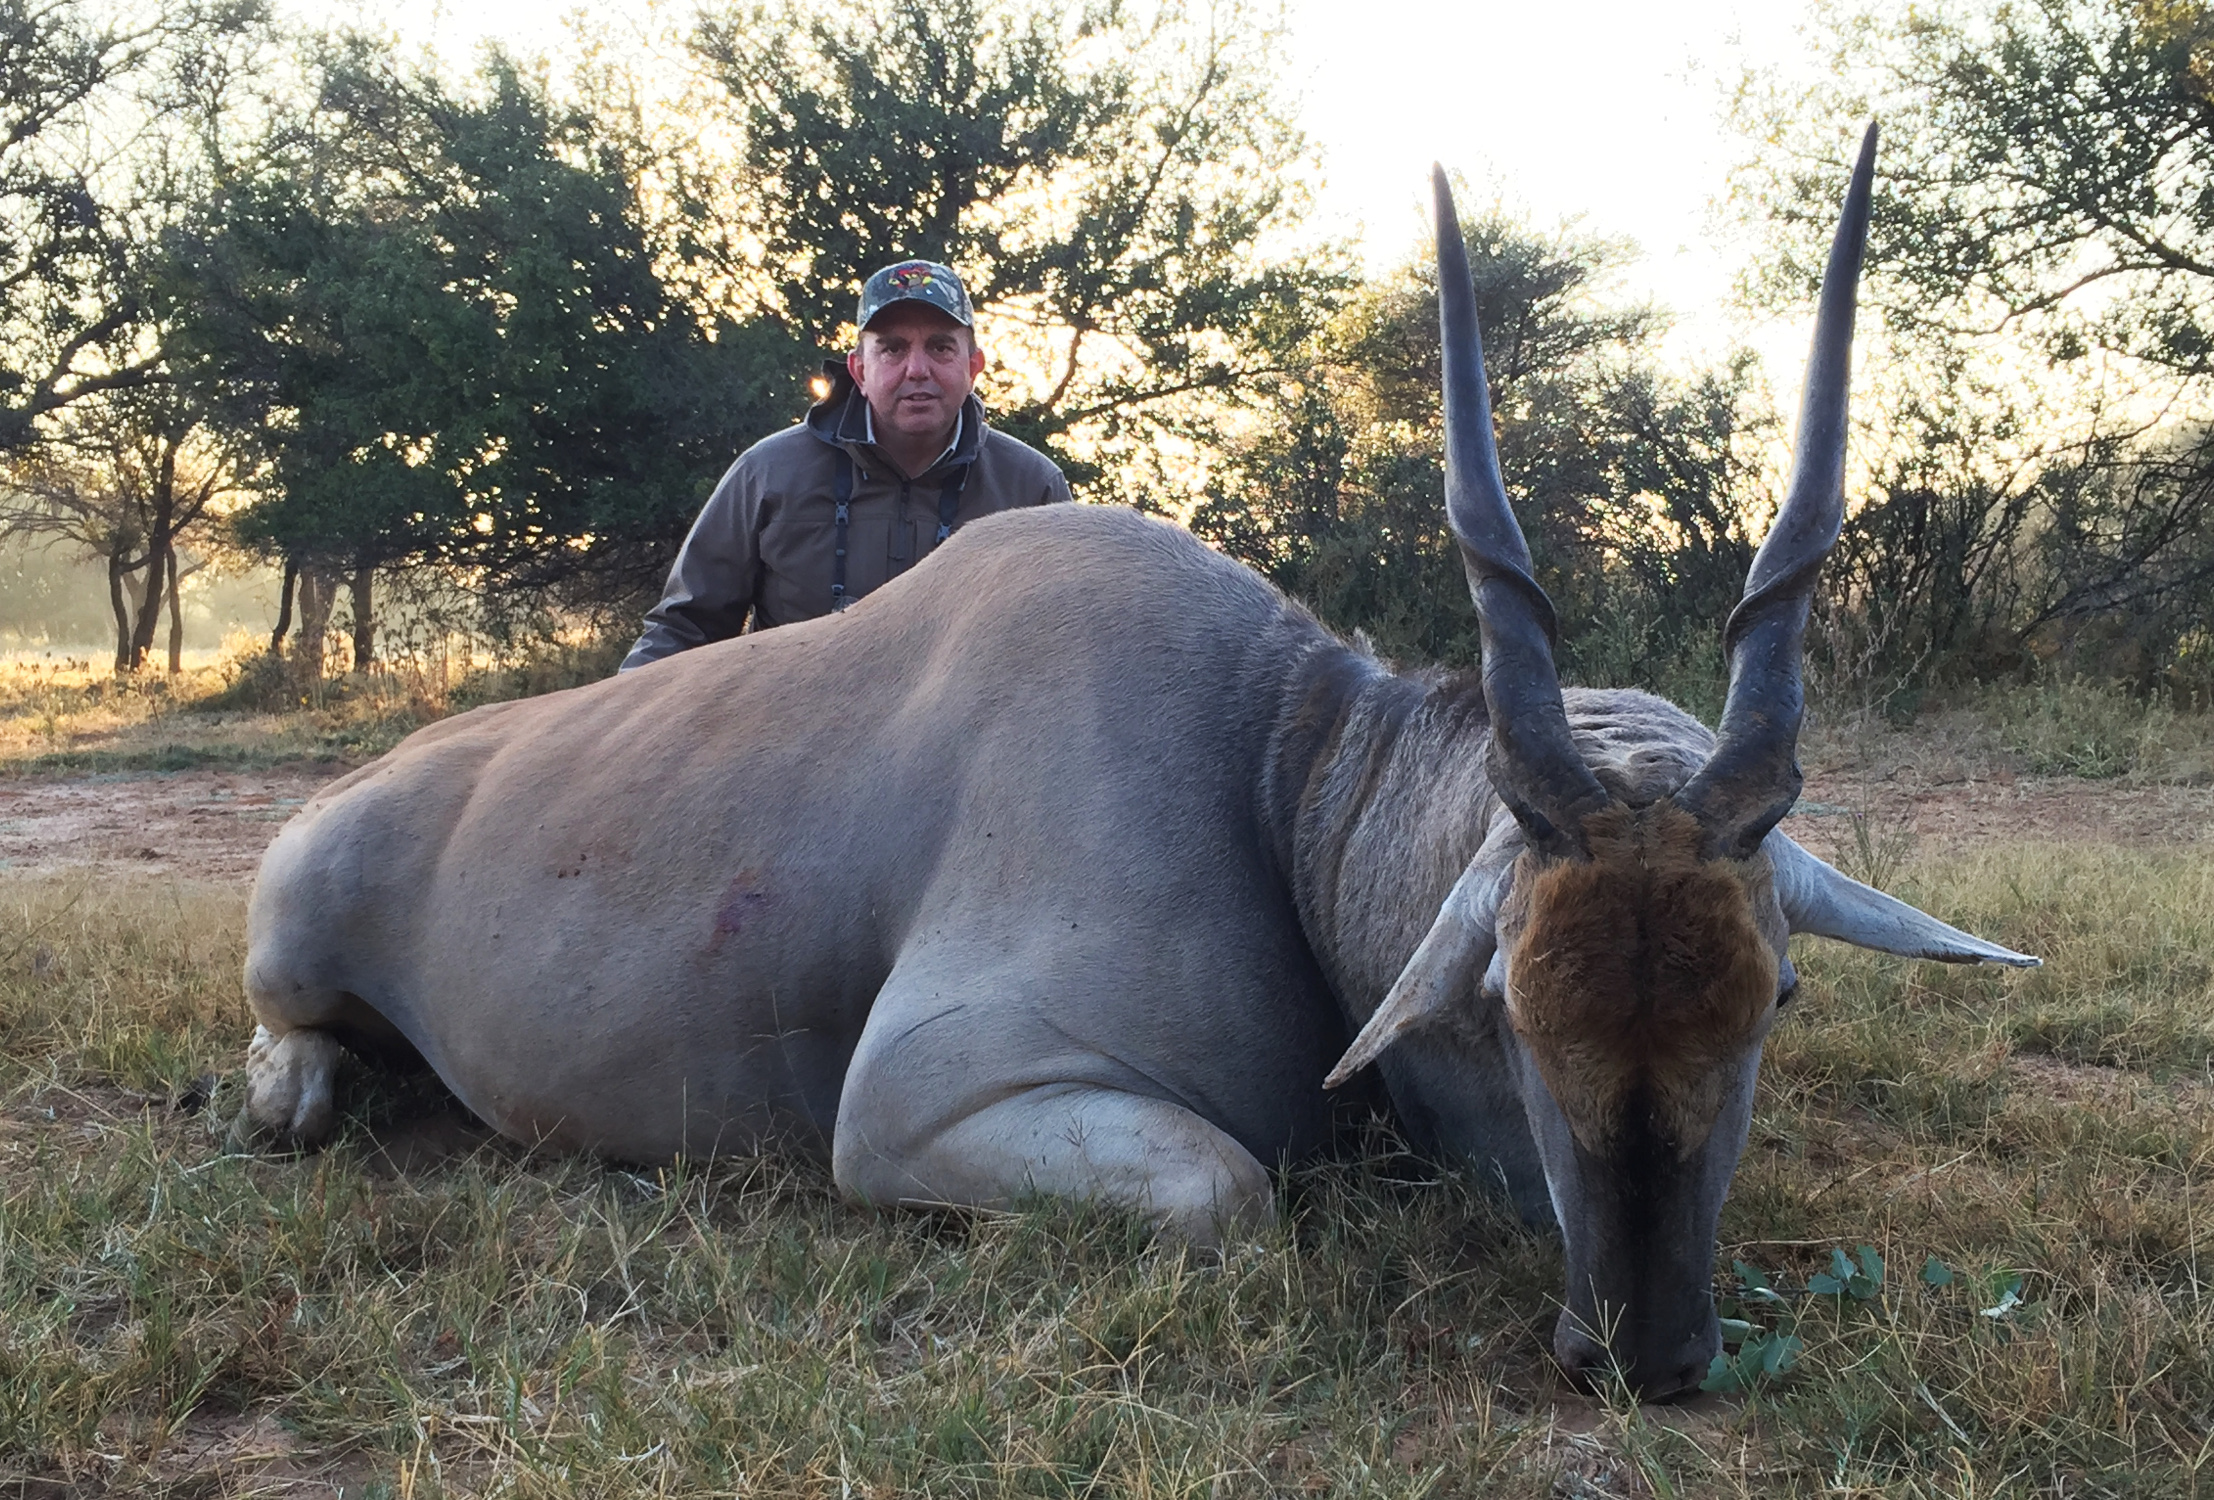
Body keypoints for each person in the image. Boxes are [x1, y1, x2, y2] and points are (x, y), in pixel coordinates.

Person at [620, 259, 1072, 669]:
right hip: (791, 728)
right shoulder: (768, 473)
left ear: (973, 367)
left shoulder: (1034, 490)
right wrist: (615, 723)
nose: (917, 369)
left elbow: (1063, 654)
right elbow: (684, 629)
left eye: (940, 347)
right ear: (858, 370)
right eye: (892, 349)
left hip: (966, 735)